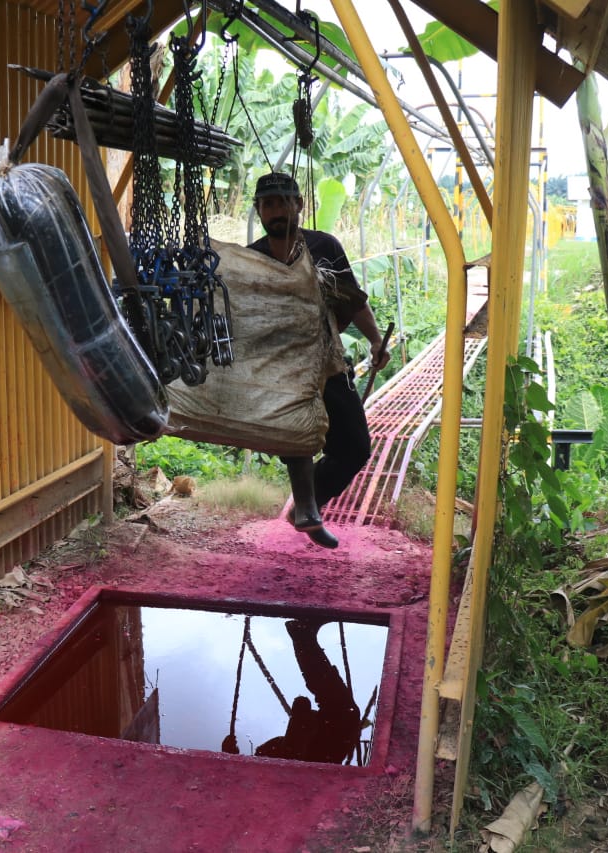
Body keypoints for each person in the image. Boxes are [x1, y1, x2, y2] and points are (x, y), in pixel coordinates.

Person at [247, 171, 390, 549]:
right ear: (259, 211)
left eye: (283, 202)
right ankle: (308, 512)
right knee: (296, 436)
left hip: (325, 359)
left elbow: (352, 300)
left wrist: (375, 341)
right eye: (268, 204)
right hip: (278, 366)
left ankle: (306, 505)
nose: (277, 211)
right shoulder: (253, 258)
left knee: (356, 446)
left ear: (299, 205)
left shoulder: (324, 246)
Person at [220, 619, 362, 764]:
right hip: (304, 765)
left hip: (300, 761)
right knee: (345, 714)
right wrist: (231, 760)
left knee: (345, 715)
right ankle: (303, 636)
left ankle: (303, 636)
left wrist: (230, 759)